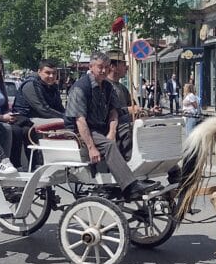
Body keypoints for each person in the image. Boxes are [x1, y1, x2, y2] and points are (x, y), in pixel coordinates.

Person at [64, 51, 151, 200]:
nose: (104, 70)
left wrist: (112, 132)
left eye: (106, 67)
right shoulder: (80, 88)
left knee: (131, 128)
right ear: (91, 67)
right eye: (100, 67)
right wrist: (91, 148)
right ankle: (130, 186)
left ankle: (135, 170)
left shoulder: (107, 87)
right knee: (109, 145)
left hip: (101, 127)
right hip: (82, 130)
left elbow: (113, 112)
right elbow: (80, 121)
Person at [106, 49, 136, 159]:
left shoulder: (122, 88)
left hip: (124, 124)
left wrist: (148, 111)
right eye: (123, 64)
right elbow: (109, 112)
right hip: (110, 127)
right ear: (112, 67)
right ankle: (128, 161)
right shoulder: (104, 87)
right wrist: (128, 110)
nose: (126, 68)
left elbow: (133, 107)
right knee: (131, 128)